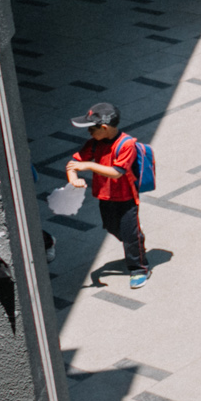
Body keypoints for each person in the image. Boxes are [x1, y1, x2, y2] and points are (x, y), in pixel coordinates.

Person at [66, 101, 150, 290]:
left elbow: (117, 172)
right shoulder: (93, 144)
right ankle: (136, 239)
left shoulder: (126, 144)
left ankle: (139, 268)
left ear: (104, 127)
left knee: (129, 236)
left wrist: (88, 166)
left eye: (91, 129)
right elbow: (73, 163)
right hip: (104, 196)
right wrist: (73, 178)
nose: (89, 133)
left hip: (126, 198)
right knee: (111, 226)